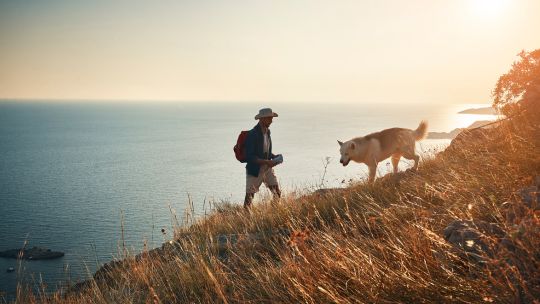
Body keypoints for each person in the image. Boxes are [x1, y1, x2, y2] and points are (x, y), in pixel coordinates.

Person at [244, 108, 282, 209]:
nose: (271, 121)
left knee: (277, 193)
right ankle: (245, 221)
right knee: (249, 198)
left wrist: (274, 157)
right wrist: (267, 162)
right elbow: (250, 157)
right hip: (255, 170)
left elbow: (265, 152)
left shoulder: (267, 132)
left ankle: (274, 214)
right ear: (262, 119)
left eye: (271, 118)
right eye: (269, 118)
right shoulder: (253, 134)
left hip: (267, 168)